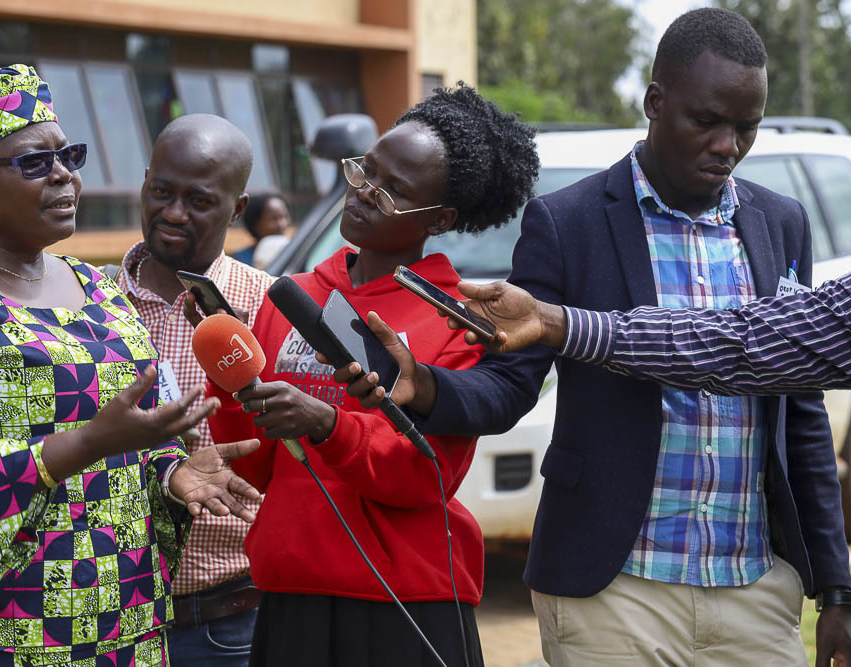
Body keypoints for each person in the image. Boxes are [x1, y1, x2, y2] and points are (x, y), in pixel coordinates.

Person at [331, 10, 851, 666]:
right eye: (707, 121)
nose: (727, 145)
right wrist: (430, 386)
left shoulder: (782, 223)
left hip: (754, 588)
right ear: (655, 102)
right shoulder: (568, 221)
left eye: (746, 127)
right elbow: (511, 382)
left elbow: (801, 411)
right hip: (613, 590)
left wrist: (836, 585)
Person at [0, 65, 260, 666]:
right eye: (33, 162)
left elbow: (132, 432)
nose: (64, 176)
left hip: (123, 625)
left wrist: (169, 471)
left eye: (68, 156)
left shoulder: (94, 287)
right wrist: (85, 444)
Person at [204, 84, 538, 666]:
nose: (362, 192)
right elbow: (259, 467)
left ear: (441, 218)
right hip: (292, 590)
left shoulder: (455, 320)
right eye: (365, 170)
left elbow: (425, 476)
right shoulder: (292, 295)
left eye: (392, 191)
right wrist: (232, 384)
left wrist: (328, 425)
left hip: (406, 600)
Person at [113, 114, 275, 666]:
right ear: (144, 183)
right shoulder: (85, 305)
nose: (174, 213)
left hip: (224, 629)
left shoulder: (271, 309)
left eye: (200, 201)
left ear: (237, 208)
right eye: (162, 192)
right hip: (100, 625)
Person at [232, 192, 292, 268]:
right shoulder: (239, 262)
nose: (281, 224)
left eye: (283, 216)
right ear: (255, 223)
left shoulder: (295, 253)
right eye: (273, 219)